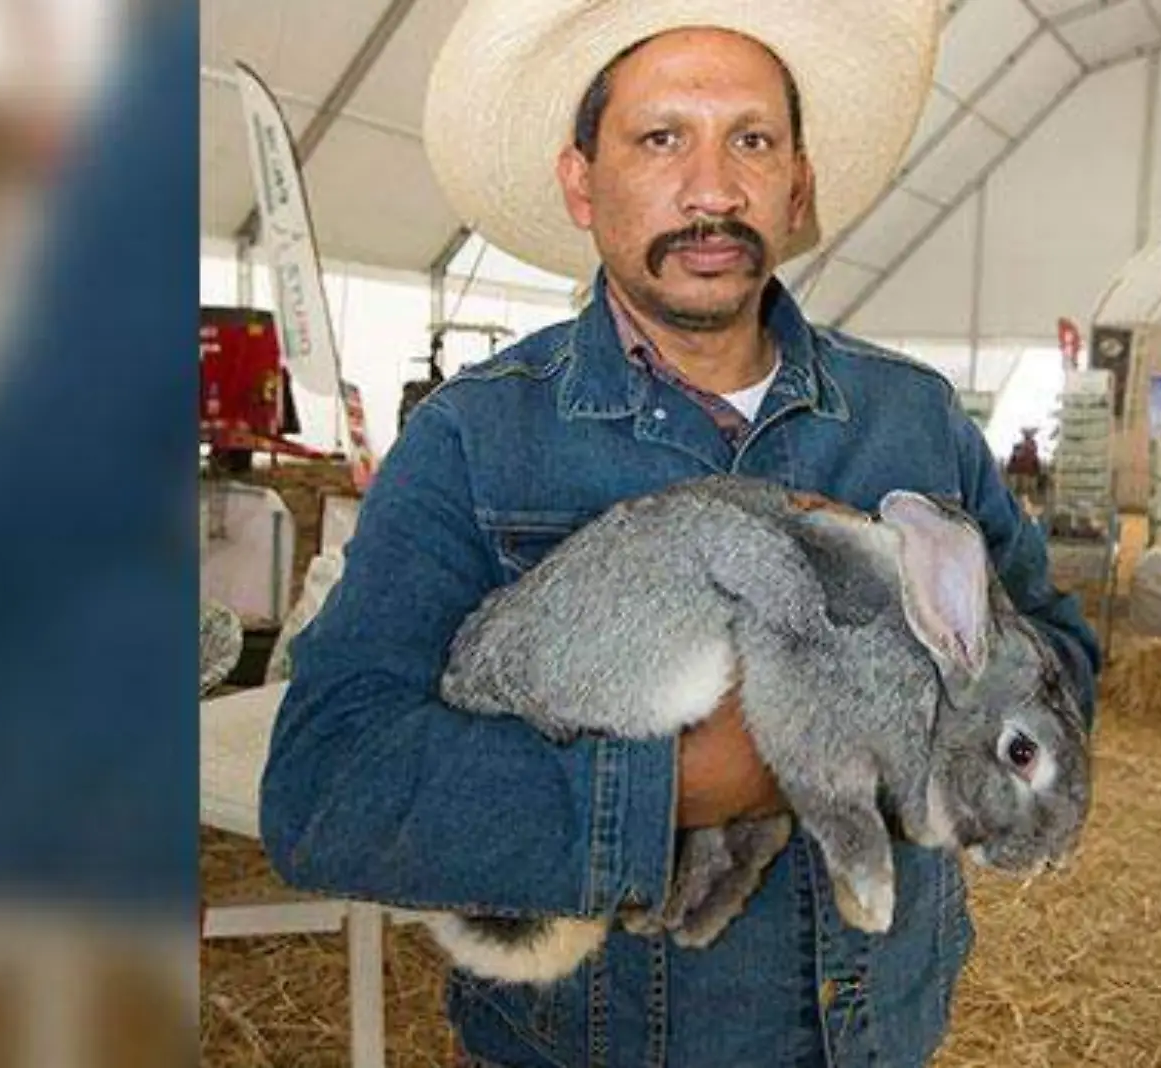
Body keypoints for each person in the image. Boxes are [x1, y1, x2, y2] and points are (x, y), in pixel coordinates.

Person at [259, 3, 1100, 1065]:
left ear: (796, 185)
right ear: (581, 181)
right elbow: (330, 785)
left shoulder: (913, 418)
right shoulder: (472, 438)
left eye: (752, 140)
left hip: (881, 1035)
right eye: (661, 139)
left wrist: (938, 741)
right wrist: (685, 786)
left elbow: (1057, 658)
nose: (712, 191)